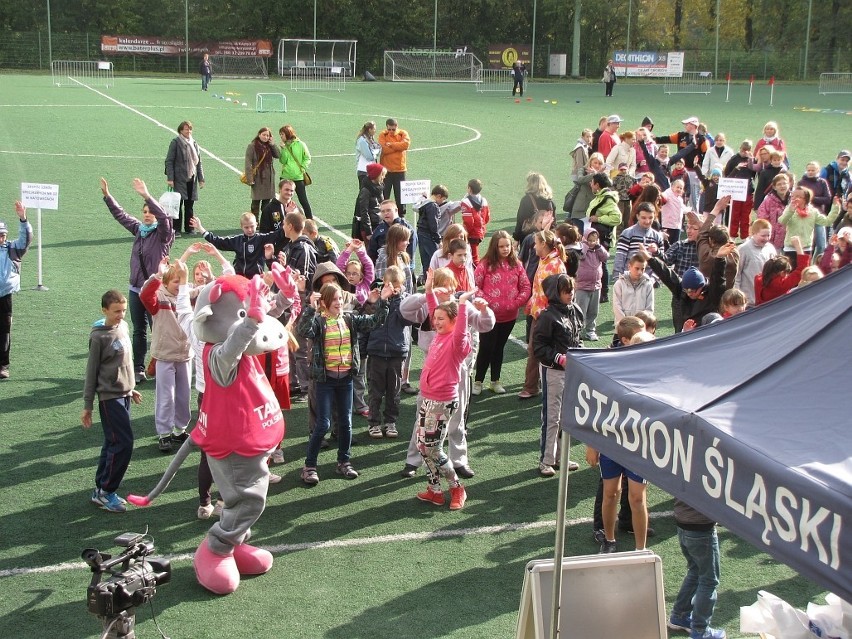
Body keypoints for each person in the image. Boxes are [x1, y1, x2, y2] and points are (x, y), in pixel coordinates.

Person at [297, 280, 391, 485]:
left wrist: (382, 301)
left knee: (347, 423)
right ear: (324, 303)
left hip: (345, 379)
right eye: (334, 300)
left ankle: (344, 462)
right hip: (324, 381)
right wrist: (309, 308)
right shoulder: (319, 322)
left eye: (340, 298)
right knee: (323, 424)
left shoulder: (349, 319)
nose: (339, 303)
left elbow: (376, 321)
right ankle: (309, 466)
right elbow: (303, 330)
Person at [102, 177, 173, 384]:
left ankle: (162, 364)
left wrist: (146, 195)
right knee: (139, 330)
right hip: (135, 290)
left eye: (150, 212)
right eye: (144, 212)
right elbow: (121, 215)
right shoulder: (138, 230)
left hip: (155, 291)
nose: (147, 215)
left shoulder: (164, 234)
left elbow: (165, 218)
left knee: (158, 329)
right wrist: (108, 197)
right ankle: (139, 368)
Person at [413, 270, 474, 510]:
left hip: (442, 402)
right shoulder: (439, 334)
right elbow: (432, 309)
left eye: (441, 319)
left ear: (453, 320)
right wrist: (429, 289)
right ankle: (434, 490)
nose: (435, 322)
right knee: (422, 446)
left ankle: (456, 487)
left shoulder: (456, 341)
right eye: (435, 318)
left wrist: (461, 305)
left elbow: (460, 329)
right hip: (428, 399)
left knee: (433, 448)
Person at [81, 289, 142, 513]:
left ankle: (101, 489)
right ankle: (107, 491)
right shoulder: (99, 337)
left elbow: (126, 361)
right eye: (116, 311)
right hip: (109, 397)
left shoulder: (123, 327)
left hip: (124, 394)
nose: (121, 315)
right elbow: (91, 373)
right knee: (123, 443)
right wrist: (87, 406)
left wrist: (131, 388)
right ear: (104, 310)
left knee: (112, 442)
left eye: (124, 310)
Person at [533, 274, 583, 477]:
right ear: (556, 292)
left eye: (572, 290)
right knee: (552, 417)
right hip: (553, 371)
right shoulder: (547, 316)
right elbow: (538, 347)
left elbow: (577, 338)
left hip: (569, 371)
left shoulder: (575, 311)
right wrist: (558, 358)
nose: (571, 294)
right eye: (566, 291)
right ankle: (546, 460)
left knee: (565, 417)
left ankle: (561, 457)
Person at [140, 260, 192, 453]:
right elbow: (145, 295)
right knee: (166, 396)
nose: (179, 286)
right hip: (164, 355)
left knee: (184, 394)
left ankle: (179, 430)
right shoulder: (158, 298)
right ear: (166, 283)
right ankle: (164, 433)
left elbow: (207, 292)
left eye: (181, 281)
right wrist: (158, 275)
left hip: (185, 354)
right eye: (175, 282)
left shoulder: (187, 296)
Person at [472, 230, 531, 394]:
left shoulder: (517, 264)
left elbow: (525, 286)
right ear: (494, 247)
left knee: (499, 348)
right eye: (501, 246)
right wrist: (490, 303)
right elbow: (475, 287)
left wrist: (516, 303)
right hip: (488, 317)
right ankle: (478, 381)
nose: (505, 249)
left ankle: (495, 380)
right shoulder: (485, 265)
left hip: (509, 316)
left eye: (508, 245)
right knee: (486, 347)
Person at [667, 499, 727, 639]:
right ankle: (700, 630)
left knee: (694, 571)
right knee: (709, 580)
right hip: (701, 527)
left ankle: (679, 615)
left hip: (683, 521)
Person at [366, 266, 414, 440]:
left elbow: (407, 320)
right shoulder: (376, 299)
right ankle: (374, 422)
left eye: (396, 285)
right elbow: (369, 318)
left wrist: (400, 298)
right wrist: (382, 300)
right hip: (377, 351)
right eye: (389, 284)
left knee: (394, 391)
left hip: (396, 351)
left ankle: (390, 421)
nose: (393, 288)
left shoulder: (404, 300)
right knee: (375, 391)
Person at [519, 230, 567, 399]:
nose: (534, 246)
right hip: (538, 312)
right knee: (534, 348)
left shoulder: (555, 265)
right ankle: (533, 384)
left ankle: (532, 386)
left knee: (536, 348)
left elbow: (555, 293)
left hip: (547, 315)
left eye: (537, 243)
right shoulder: (544, 260)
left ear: (544, 245)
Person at [192, 212, 280, 278]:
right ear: (241, 227)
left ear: (256, 225)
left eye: (252, 226)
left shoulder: (262, 239)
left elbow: (280, 234)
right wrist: (200, 228)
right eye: (246, 227)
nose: (249, 230)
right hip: (238, 277)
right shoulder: (237, 240)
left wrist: (289, 213)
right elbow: (218, 241)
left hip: (256, 278)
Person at [0, 201, 32, 380]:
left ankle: (3, 366)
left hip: (5, 296)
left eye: (2, 235)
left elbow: (26, 239)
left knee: (4, 332)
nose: (0, 239)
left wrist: (23, 219)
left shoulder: (13, 249)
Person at [655, 116, 708, 212]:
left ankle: (694, 216)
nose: (685, 126)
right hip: (679, 170)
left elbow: (706, 156)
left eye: (687, 124)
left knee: (693, 197)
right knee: (676, 193)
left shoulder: (702, 139)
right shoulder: (680, 135)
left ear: (693, 125)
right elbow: (665, 139)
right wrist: (654, 138)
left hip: (694, 172)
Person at [165, 120, 205, 236]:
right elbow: (169, 161)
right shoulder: (175, 142)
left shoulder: (194, 143)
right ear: (181, 130)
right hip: (179, 178)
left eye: (190, 129)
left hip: (192, 178)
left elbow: (198, 162)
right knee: (178, 204)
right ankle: (176, 229)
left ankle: (189, 228)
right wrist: (170, 178)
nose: (189, 131)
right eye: (186, 129)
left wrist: (201, 179)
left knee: (189, 204)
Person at [777, 190, 841, 259]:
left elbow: (827, 221)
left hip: (806, 248)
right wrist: (790, 211)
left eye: (798, 197)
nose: (794, 199)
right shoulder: (789, 209)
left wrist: (835, 207)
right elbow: (782, 221)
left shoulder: (813, 212)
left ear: (805, 199)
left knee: (805, 269)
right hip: (790, 248)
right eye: (792, 196)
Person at [574, 227, 609, 342]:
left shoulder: (598, 250)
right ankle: (577, 332)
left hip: (596, 286)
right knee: (580, 311)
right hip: (582, 286)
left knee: (593, 311)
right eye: (589, 240)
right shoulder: (582, 248)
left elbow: (605, 257)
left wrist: (599, 247)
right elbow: (581, 255)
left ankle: (590, 330)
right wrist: (584, 245)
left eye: (594, 240)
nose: (592, 243)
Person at [734, 219, 777, 306]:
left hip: (765, 298)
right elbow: (737, 273)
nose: (766, 238)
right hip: (749, 298)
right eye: (763, 236)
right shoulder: (744, 249)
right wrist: (736, 293)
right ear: (753, 233)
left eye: (768, 235)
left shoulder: (770, 248)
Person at [754, 236, 809, 304]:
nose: (787, 275)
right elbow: (801, 270)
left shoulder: (758, 279)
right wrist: (798, 246)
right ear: (782, 272)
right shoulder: (781, 285)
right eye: (787, 272)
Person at [798, 161, 833, 257]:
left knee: (822, 245)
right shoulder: (802, 183)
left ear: (818, 170)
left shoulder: (822, 182)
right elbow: (798, 199)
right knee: (809, 245)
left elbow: (828, 199)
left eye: (813, 170)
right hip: (805, 216)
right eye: (808, 170)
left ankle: (818, 264)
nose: (810, 172)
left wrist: (811, 198)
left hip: (819, 216)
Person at [244, 127, 280, 218]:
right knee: (256, 202)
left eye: (268, 135)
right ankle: (255, 221)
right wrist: (250, 179)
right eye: (264, 135)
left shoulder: (269, 146)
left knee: (267, 203)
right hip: (258, 177)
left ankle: (265, 221)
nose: (265, 137)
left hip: (269, 178)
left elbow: (278, 155)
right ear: (259, 134)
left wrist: (273, 144)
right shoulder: (252, 146)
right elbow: (248, 163)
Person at [367, 199, 417, 267]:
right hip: (383, 268)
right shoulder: (379, 230)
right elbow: (371, 252)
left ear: (396, 210)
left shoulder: (407, 228)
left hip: (403, 267)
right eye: (383, 211)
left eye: (388, 210)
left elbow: (410, 252)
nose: (385, 213)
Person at [723, 139, 756, 241]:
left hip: (748, 191)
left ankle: (745, 236)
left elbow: (754, 173)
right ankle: (732, 235)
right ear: (740, 148)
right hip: (736, 192)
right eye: (743, 149)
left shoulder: (752, 159)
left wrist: (751, 160)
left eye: (747, 149)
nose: (745, 151)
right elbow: (727, 174)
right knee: (734, 214)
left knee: (745, 216)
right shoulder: (734, 159)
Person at [279, 124, 313, 219]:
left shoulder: (300, 144)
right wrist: (283, 149)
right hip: (286, 176)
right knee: (284, 200)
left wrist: (302, 167)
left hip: (298, 177)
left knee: (303, 200)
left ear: (288, 134)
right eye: (280, 135)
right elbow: (283, 160)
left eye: (282, 134)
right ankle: (283, 220)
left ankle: (310, 220)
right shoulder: (284, 146)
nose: (281, 137)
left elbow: (307, 158)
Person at [613, 252, 655, 326]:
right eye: (637, 268)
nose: (639, 272)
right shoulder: (619, 283)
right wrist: (625, 323)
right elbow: (617, 306)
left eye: (642, 269)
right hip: (623, 327)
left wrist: (640, 324)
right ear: (629, 266)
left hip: (641, 326)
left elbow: (649, 308)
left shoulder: (648, 284)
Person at [378, 118, 411, 216]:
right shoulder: (382, 134)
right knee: (384, 194)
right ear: (386, 127)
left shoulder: (403, 133)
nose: (391, 132)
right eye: (389, 129)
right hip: (386, 171)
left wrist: (391, 145)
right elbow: (383, 149)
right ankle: (383, 215)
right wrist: (398, 148)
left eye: (393, 129)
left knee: (401, 195)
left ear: (396, 127)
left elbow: (405, 145)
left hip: (400, 169)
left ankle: (401, 215)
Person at [460, 179, 490, 265]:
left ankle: (478, 275)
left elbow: (468, 221)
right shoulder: (484, 200)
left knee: (473, 258)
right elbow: (487, 218)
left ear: (469, 188)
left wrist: (465, 233)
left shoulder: (465, 202)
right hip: (480, 232)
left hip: (471, 233)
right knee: (473, 255)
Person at [353, 162, 385, 241]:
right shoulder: (365, 191)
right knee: (371, 252)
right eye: (382, 175)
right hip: (371, 227)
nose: (384, 177)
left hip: (379, 223)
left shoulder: (379, 187)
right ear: (376, 176)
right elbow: (364, 211)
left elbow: (382, 204)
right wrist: (368, 232)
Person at [355, 121, 381, 189]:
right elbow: (369, 156)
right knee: (365, 192)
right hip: (364, 170)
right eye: (374, 129)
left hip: (370, 170)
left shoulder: (370, 138)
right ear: (370, 129)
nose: (375, 131)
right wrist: (376, 152)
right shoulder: (362, 141)